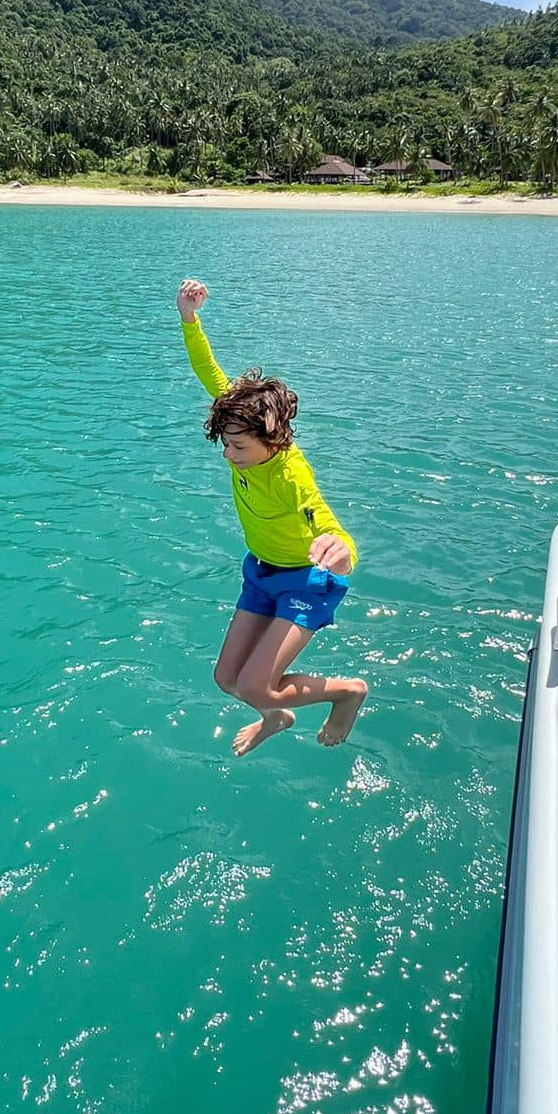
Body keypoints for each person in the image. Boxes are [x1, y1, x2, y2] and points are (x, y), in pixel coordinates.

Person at [176, 278, 368, 757]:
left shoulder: (290, 475)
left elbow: (328, 523)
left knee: (257, 684)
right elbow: (209, 372)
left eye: (238, 447)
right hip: (262, 572)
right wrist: (189, 319)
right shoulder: (243, 422)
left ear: (272, 439)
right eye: (225, 444)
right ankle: (277, 717)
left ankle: (348, 693)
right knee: (228, 679)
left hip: (307, 581)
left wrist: (342, 551)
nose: (228, 455)